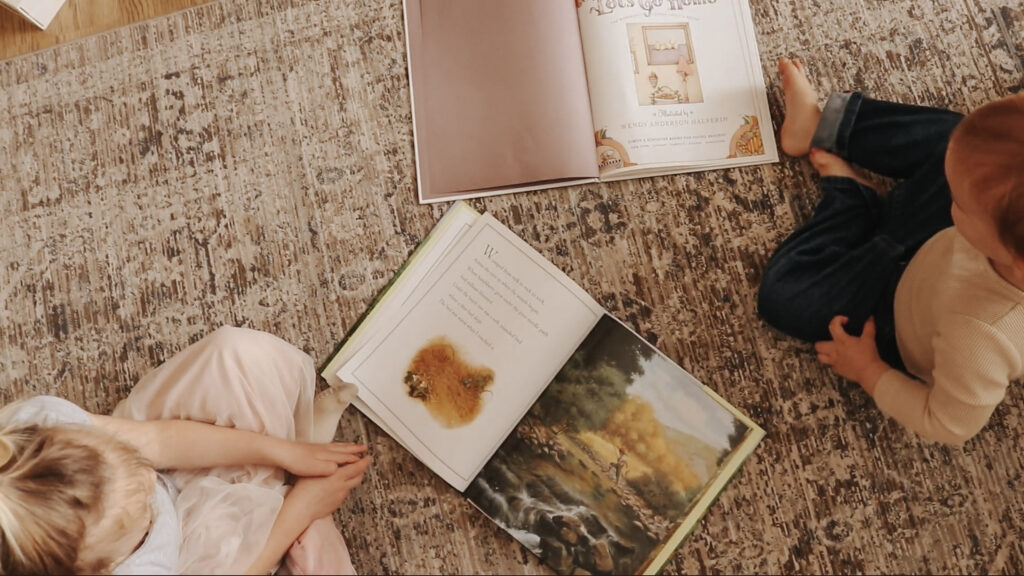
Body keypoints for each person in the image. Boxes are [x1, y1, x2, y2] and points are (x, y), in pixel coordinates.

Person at [758, 58, 1024, 446]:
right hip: (938, 245)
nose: (951, 192)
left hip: (892, 317)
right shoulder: (1001, 235)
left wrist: (869, 370)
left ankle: (851, 200)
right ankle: (820, 126)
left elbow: (949, 425)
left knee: (784, 295)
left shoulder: (981, 337)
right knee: (965, 141)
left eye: (960, 202)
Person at [0, 326, 371, 575]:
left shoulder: (39, 425)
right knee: (308, 553)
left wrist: (283, 452)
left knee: (236, 356)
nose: (149, 479)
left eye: (130, 466)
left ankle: (299, 448)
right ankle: (302, 493)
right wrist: (301, 509)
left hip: (164, 463)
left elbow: (160, 442)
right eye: (139, 514)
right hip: (188, 555)